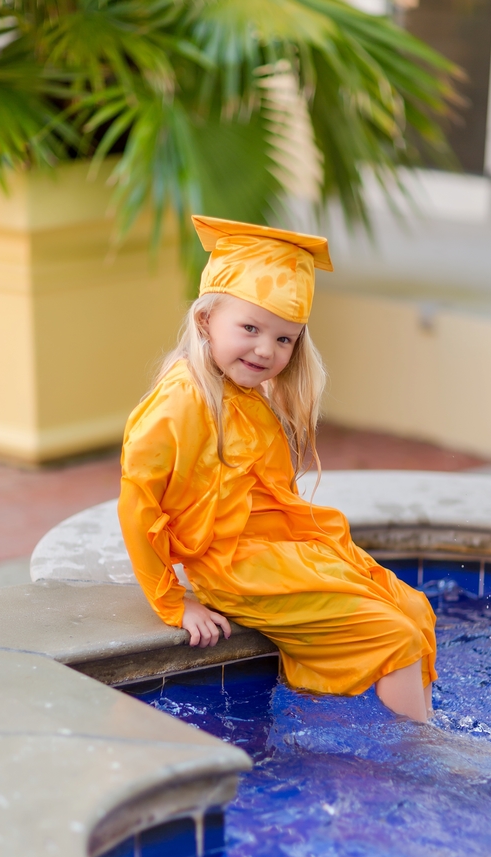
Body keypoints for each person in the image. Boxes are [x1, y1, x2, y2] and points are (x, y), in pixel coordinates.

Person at [118, 215, 437, 723]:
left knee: (413, 609)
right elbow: (138, 506)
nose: (267, 350)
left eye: (285, 339)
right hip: (236, 568)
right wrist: (174, 603)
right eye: (250, 328)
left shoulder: (244, 392)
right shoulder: (181, 403)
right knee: (394, 636)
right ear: (205, 321)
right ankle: (422, 761)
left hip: (275, 550)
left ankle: (418, 732)